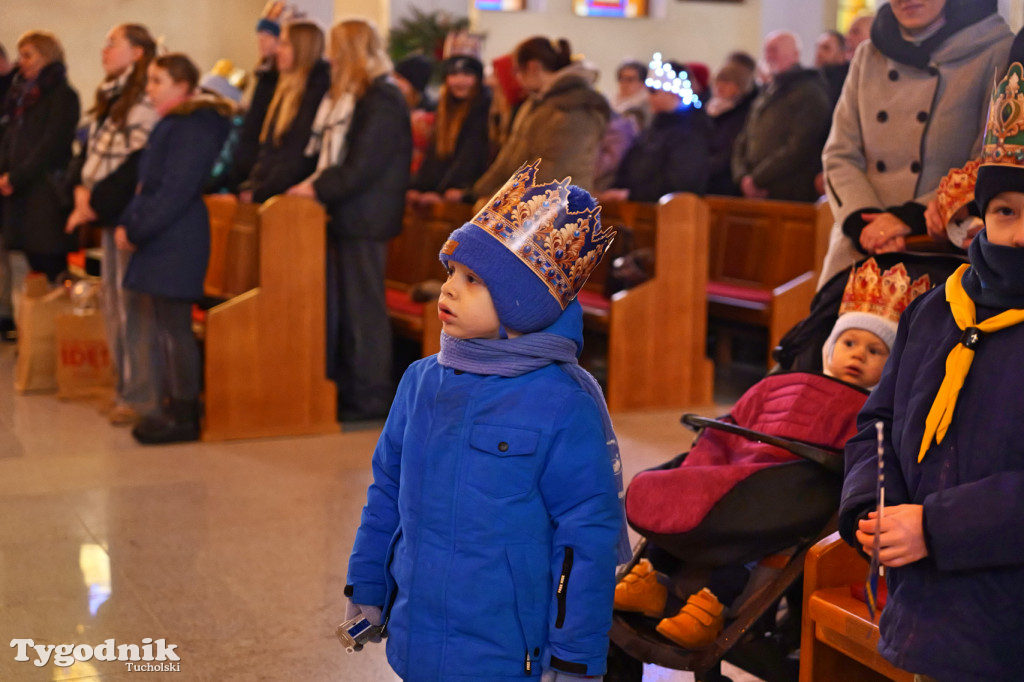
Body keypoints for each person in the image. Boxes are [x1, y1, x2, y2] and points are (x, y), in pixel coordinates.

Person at [345, 160, 626, 681]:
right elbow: (387, 490)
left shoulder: (563, 402)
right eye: (452, 271)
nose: (448, 289)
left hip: (508, 651)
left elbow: (586, 542)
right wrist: (367, 586)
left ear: (523, 308)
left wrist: (574, 658)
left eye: (472, 280)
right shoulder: (421, 380)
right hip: (418, 635)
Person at [613, 257, 929, 651]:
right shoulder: (786, 382)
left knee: (753, 523)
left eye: (875, 350)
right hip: (736, 464)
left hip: (788, 485)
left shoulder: (871, 412)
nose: (858, 355)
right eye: (849, 343)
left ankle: (710, 605)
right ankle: (651, 581)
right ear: (831, 348)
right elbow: (736, 421)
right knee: (679, 485)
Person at [839, 58, 1024, 682]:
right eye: (1005, 212)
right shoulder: (938, 308)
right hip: (929, 609)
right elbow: (879, 424)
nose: (1018, 235)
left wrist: (937, 527)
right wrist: (872, 503)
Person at [818, 0, 1012, 287]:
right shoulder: (868, 54)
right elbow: (839, 154)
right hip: (861, 244)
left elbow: (988, 161)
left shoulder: (995, 49)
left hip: (941, 248)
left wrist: (908, 217)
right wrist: (865, 223)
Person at [286, 19, 410, 423]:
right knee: (346, 309)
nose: (329, 59)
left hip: (366, 219)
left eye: (336, 50)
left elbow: (362, 167)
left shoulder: (383, 99)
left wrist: (316, 188)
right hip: (345, 216)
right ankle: (347, 387)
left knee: (364, 310)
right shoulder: (356, 97)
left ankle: (371, 396)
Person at [116, 53, 232, 444]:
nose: (149, 88)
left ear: (183, 87)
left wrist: (137, 229)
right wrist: (131, 223)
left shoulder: (191, 126)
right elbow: (149, 185)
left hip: (177, 236)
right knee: (165, 326)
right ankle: (171, 406)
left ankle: (184, 415)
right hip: (166, 234)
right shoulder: (176, 123)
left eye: (157, 81)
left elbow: (174, 189)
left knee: (175, 327)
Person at [64, 23, 160, 427]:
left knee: (133, 310)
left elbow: (134, 166)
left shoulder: (145, 99)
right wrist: (78, 191)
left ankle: (141, 395)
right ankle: (124, 387)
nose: (104, 50)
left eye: (113, 44)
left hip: (126, 214)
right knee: (114, 308)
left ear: (138, 51)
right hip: (103, 211)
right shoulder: (112, 94)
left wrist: (94, 202)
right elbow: (90, 152)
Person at [471, 37, 610, 198]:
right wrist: (475, 193)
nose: (516, 79)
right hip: (526, 207)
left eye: (516, 71)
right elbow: (509, 159)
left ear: (533, 67)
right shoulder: (536, 103)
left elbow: (551, 171)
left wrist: (496, 201)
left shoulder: (575, 107)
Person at [0, 30, 80, 282]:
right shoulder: (21, 96)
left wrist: (17, 176)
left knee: (49, 264)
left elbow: (52, 145)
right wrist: (5, 172)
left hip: (45, 191)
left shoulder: (63, 96)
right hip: (20, 191)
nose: (20, 61)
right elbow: (10, 137)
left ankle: (53, 319)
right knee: (26, 270)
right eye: (20, 55)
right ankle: (27, 318)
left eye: (27, 55)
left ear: (46, 57)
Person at [731, 30, 831, 202]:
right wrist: (743, 178)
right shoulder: (768, 91)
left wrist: (758, 180)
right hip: (754, 191)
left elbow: (798, 147)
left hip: (789, 193)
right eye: (766, 50)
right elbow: (745, 137)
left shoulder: (810, 92)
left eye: (774, 50)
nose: (768, 56)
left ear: (794, 54)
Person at [240, 20, 329, 203]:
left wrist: (262, 192)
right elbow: (269, 148)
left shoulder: (314, 93)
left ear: (303, 48)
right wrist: (252, 185)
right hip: (270, 192)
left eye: (285, 44)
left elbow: (296, 155)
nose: (277, 50)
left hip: (290, 200)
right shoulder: (286, 88)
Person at [600, 56, 710, 202]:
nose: (648, 96)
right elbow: (630, 166)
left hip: (668, 215)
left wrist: (632, 195)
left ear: (674, 92)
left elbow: (681, 183)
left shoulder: (691, 132)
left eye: (653, 91)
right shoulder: (654, 128)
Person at [407, 52, 491, 204]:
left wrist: (442, 192)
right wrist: (419, 188)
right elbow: (435, 155)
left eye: (467, 74)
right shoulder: (445, 109)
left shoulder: (484, 109)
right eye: (453, 74)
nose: (459, 81)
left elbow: (471, 157)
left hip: (468, 193)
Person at [231, 0, 286, 190]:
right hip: (249, 161)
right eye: (260, 35)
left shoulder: (276, 79)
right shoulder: (264, 74)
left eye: (268, 35)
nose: (261, 40)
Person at [705, 59, 757, 197]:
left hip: (726, 184)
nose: (720, 86)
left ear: (740, 86)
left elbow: (731, 150)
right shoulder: (708, 109)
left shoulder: (744, 114)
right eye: (717, 81)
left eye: (727, 82)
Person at [611, 59, 649, 132]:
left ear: (642, 82)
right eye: (621, 78)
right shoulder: (612, 100)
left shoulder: (646, 105)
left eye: (630, 79)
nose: (624, 83)